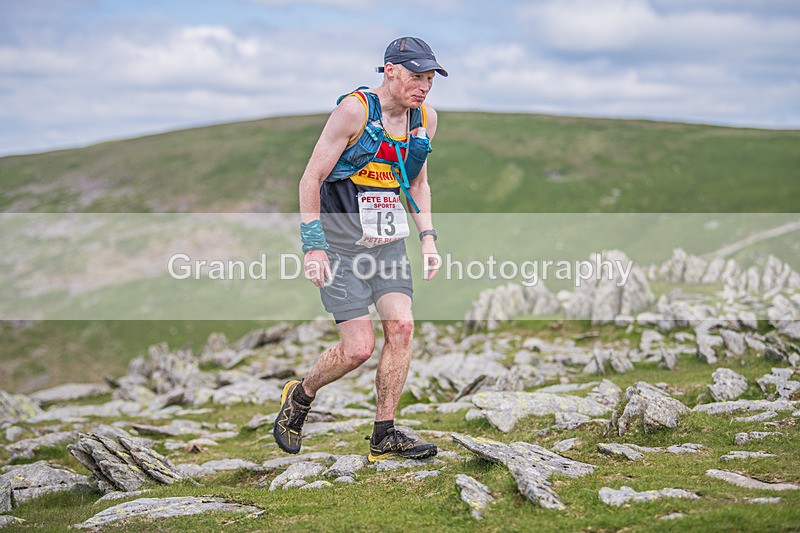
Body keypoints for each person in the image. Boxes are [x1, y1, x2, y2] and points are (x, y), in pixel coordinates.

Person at [273, 36, 447, 462]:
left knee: (402, 328)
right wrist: (313, 248)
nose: (423, 86)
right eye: (415, 76)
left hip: (387, 245)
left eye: (429, 78)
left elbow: (419, 184)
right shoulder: (354, 110)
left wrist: (428, 237)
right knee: (358, 349)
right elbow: (310, 178)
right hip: (338, 248)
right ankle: (301, 395)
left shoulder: (425, 117)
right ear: (390, 70)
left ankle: (384, 435)